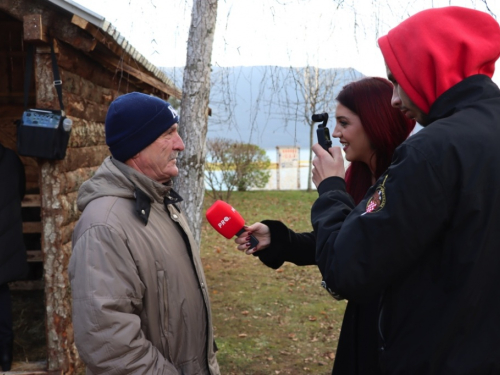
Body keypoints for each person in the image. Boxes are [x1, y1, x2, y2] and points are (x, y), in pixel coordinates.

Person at [310, 6, 500, 375]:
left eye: (399, 80)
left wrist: (331, 188)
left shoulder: (432, 153)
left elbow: (347, 265)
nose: (395, 99)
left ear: (430, 67)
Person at [235, 77, 415, 375]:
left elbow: (355, 255)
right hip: (363, 323)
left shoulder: (400, 181)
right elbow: (340, 241)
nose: (336, 133)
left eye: (344, 123)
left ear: (375, 122)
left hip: (391, 332)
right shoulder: (360, 177)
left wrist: (331, 188)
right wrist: (279, 239)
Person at [69, 92, 220, 375]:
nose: (181, 144)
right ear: (136, 147)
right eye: (168, 134)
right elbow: (110, 345)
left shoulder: (159, 203)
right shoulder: (103, 226)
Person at [0, 143, 28, 372]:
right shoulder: (10, 158)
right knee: (1, 296)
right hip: (5, 240)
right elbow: (21, 189)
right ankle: (6, 354)